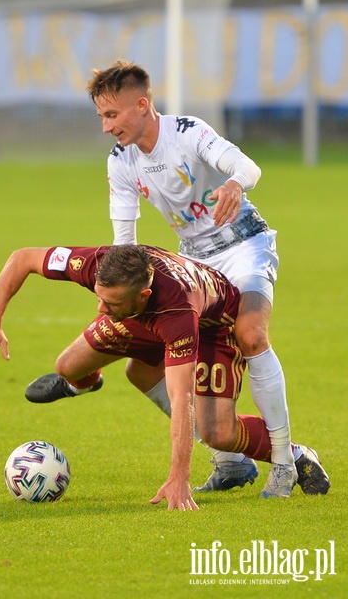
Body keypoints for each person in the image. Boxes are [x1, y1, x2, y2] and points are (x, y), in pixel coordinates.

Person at [84, 60, 329, 497]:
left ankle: (284, 462)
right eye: (101, 116)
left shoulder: (187, 132)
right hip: (194, 264)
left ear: (141, 105)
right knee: (141, 368)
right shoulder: (121, 161)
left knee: (251, 335)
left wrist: (235, 184)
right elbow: (124, 241)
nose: (105, 127)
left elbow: (248, 167)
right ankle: (229, 462)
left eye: (111, 115)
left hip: (244, 245)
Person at [0, 244, 329, 509]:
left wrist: (178, 478)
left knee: (216, 430)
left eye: (109, 304)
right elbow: (22, 259)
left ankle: (294, 454)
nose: (100, 309)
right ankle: (86, 384)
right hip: (141, 318)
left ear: (141, 296)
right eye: (99, 297)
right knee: (68, 365)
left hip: (211, 326)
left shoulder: (177, 313)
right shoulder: (97, 264)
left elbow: (181, 398)